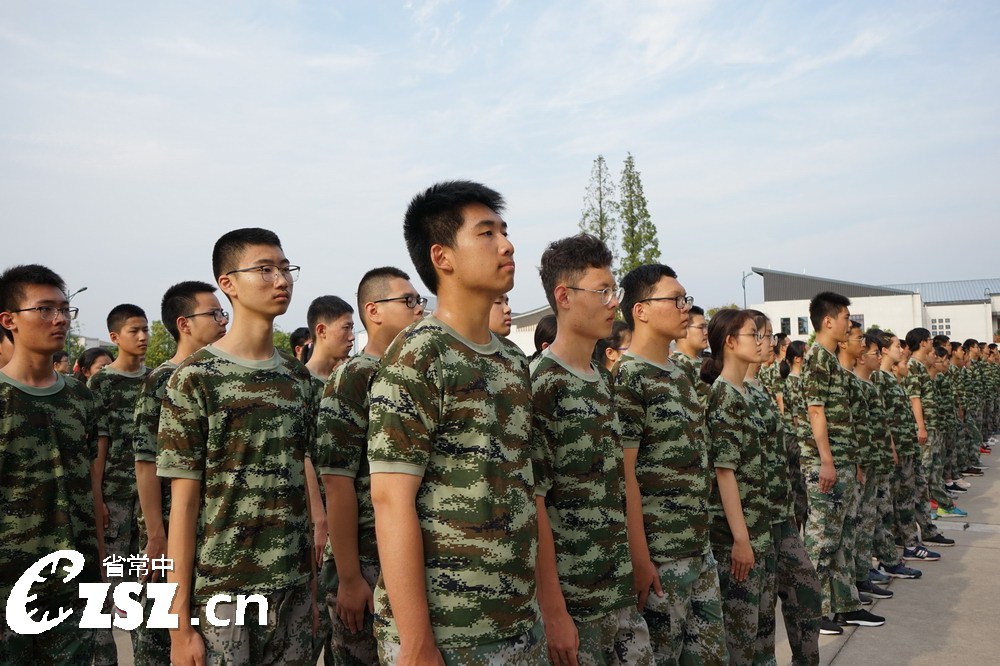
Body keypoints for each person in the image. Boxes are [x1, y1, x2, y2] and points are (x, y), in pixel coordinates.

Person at [367, 181, 543, 664]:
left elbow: (526, 487)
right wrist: (417, 642)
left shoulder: (512, 359)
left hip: (519, 622)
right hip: (450, 633)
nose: (507, 245)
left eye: (504, 231)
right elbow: (390, 500)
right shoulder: (419, 354)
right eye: (486, 233)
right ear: (442, 257)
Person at [157, 228, 314, 665]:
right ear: (228, 283)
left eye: (285, 268)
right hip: (223, 592)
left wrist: (312, 591)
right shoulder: (195, 379)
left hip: (293, 590)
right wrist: (179, 625)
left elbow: (302, 483)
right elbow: (183, 506)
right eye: (265, 269)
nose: (281, 280)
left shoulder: (297, 378)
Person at [531, 234, 652, 665]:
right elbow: (534, 502)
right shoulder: (542, 383)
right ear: (564, 296)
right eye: (602, 292)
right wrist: (553, 611)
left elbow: (619, 480)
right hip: (575, 602)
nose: (613, 303)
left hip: (618, 590)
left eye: (612, 291)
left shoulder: (601, 379)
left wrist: (638, 559)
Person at [614, 264, 727, 664]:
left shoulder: (681, 373)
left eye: (686, 299)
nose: (685, 308)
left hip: (698, 548)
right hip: (661, 557)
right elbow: (625, 475)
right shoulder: (629, 378)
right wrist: (641, 558)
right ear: (641, 310)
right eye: (675, 300)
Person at [315, 266, 425, 664]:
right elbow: (337, 483)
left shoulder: (414, 373)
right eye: (407, 301)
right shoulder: (353, 376)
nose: (418, 309)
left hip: (403, 553)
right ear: (373, 311)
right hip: (363, 558)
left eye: (419, 300)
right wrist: (348, 578)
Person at [0, 264, 102, 663]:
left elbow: (90, 487)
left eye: (64, 309)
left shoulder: (79, 397)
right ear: (9, 320)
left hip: (71, 588)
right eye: (44, 309)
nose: (59, 319)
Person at [131, 281, 228, 666]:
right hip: (167, 529)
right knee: (161, 633)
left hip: (203, 528)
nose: (223, 321)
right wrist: (156, 534)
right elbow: (145, 462)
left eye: (223, 313)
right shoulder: (163, 378)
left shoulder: (214, 375)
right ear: (184, 324)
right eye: (214, 314)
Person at [799, 292, 883, 631]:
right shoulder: (817, 358)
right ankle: (812, 612)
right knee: (821, 541)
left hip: (843, 460)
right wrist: (826, 461)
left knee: (843, 538)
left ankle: (846, 605)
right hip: (826, 463)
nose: (850, 324)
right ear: (828, 321)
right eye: (846, 318)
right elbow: (816, 412)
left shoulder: (830, 360)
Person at [746, 311, 822, 665]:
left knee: (806, 590)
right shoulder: (725, 392)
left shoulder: (760, 388)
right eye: (760, 335)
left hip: (782, 513)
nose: (769, 342)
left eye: (769, 335)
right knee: (760, 621)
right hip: (754, 521)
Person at [700, 309, 775, 665]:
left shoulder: (744, 392)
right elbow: (724, 471)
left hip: (758, 531)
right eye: (752, 335)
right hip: (737, 538)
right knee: (740, 642)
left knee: (761, 637)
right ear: (730, 342)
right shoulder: (725, 396)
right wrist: (741, 540)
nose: (760, 342)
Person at [90, 303, 150, 665]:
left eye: (145, 329)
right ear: (115, 337)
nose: (142, 337)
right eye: (134, 331)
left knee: (144, 588)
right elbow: (99, 447)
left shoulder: (154, 379)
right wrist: (97, 498)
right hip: (114, 498)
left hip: (148, 500)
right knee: (109, 586)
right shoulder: (102, 383)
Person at [850, 331, 905, 601]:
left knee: (872, 517)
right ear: (861, 356)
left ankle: (864, 571)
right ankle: (860, 575)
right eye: (875, 352)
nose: (880, 356)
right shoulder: (854, 385)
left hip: (875, 459)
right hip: (861, 463)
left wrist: (889, 449)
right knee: (862, 519)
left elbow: (878, 425)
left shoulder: (870, 384)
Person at [902, 328, 967, 519]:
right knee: (924, 470)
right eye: (929, 340)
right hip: (925, 428)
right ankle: (923, 510)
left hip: (932, 426)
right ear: (922, 343)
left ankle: (941, 505)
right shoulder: (913, 366)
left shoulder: (920, 366)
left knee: (934, 469)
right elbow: (915, 398)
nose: (932, 344)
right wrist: (921, 427)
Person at [779, 340, 809, 531]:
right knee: (800, 486)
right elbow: (799, 419)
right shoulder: (794, 382)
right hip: (796, 440)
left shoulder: (795, 380)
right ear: (798, 359)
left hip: (795, 439)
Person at [305, 296, 355, 380]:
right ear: (322, 331)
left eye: (351, 328)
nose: (352, 337)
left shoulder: (350, 379)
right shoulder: (299, 382)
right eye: (346, 328)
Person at [672, 304, 710, 404]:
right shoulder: (677, 365)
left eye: (706, 327)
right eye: (701, 327)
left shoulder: (706, 362)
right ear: (684, 328)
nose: (706, 332)